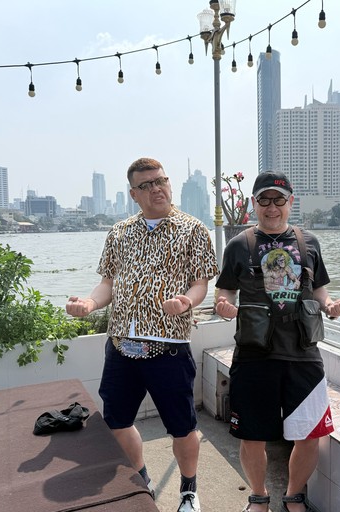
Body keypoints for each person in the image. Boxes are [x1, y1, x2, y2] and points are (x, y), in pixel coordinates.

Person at [66, 157, 218, 512]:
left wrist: (187, 301)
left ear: (169, 183)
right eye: (146, 185)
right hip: (120, 346)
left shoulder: (193, 230)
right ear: (134, 193)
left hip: (169, 347)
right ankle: (142, 479)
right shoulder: (119, 233)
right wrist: (89, 303)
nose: (156, 189)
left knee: (182, 428)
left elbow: (200, 284)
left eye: (160, 180)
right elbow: (107, 283)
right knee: (117, 423)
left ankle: (189, 490)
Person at [215, 171, 340, 512]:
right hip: (253, 354)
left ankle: (293, 495)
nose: (272, 207)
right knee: (252, 435)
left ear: (291, 202)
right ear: (254, 203)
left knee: (309, 435)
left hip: (303, 354)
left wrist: (331, 306)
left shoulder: (309, 242)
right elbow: (225, 290)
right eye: (264, 200)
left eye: (279, 200)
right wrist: (223, 306)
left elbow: (319, 289)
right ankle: (258, 496)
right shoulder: (239, 245)